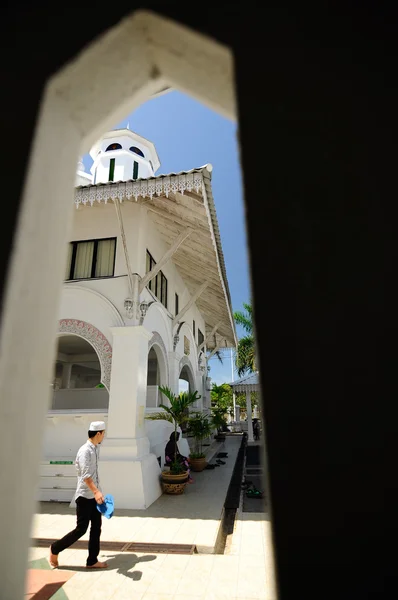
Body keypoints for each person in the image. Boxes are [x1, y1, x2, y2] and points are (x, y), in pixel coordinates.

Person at [49, 421, 108, 569]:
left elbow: (94, 476)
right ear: (98, 433)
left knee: (96, 527)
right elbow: (86, 476)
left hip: (94, 497)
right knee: (81, 529)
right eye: (103, 433)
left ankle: (92, 560)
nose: (104, 436)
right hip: (84, 497)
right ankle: (54, 549)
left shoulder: (95, 449)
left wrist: (99, 494)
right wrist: (96, 491)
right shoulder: (85, 451)